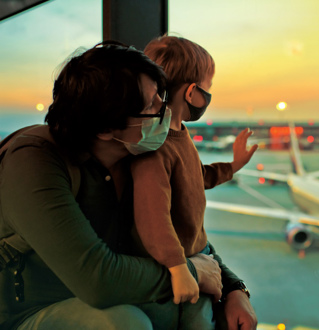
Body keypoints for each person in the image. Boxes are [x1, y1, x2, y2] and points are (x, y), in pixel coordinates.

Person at [0, 41, 255, 330]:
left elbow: (183, 232)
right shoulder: (33, 162)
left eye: (161, 95)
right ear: (105, 128)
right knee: (124, 324)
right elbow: (97, 278)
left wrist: (234, 289)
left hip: (115, 296)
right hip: (29, 312)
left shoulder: (134, 153)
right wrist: (192, 274)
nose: (165, 108)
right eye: (151, 104)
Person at [129, 35, 258, 329]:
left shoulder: (179, 133)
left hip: (196, 261)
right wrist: (178, 267)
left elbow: (197, 178)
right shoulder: (155, 147)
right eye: (207, 89)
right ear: (191, 93)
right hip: (176, 271)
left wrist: (233, 166)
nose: (208, 97)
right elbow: (153, 218)